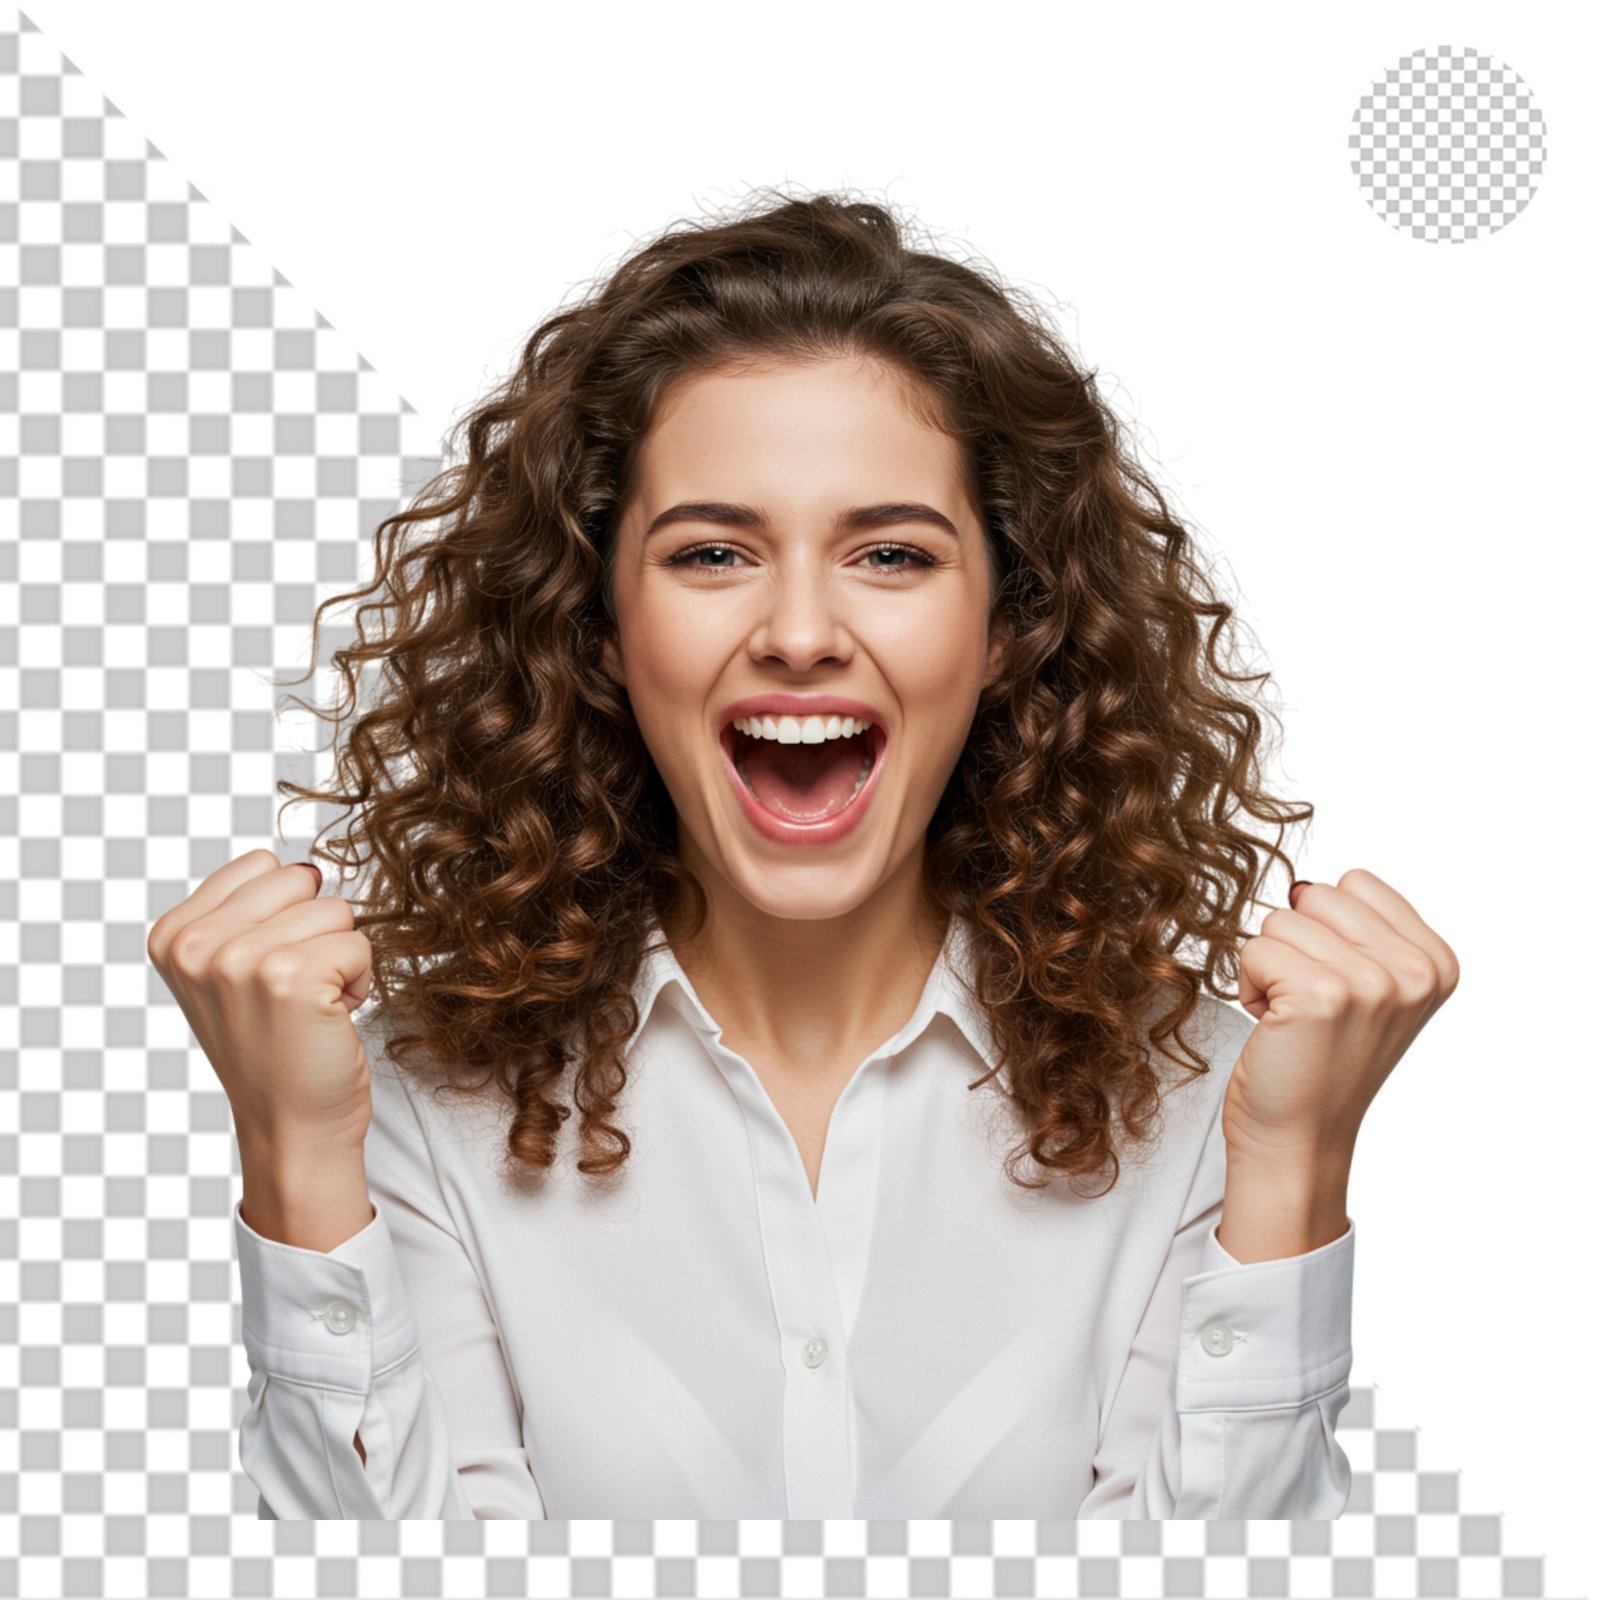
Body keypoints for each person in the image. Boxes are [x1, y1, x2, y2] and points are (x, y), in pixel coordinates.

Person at [147, 188, 1459, 1520]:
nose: (798, 631)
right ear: (601, 630)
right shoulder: (414, 1107)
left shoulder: (1206, 1104)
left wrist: (1292, 1170)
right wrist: (294, 1153)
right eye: (713, 552)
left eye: (890, 554)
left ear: (1003, 630)